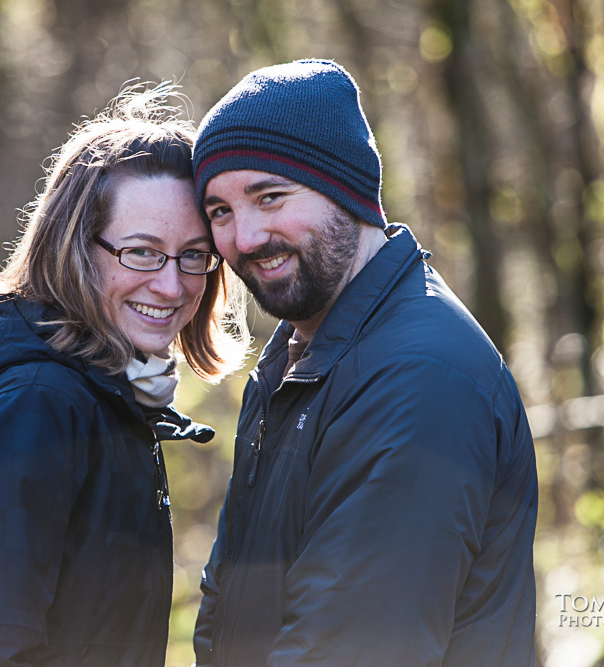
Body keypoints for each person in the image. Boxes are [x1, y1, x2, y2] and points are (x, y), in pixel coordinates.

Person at [190, 59, 538, 666]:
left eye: (269, 196)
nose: (243, 238)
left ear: (345, 190)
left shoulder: (420, 376)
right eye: (220, 211)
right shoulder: (298, 361)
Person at [0, 85, 248, 666]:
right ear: (75, 250)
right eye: (141, 251)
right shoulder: (33, 407)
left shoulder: (110, 400)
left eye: (194, 255)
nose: (172, 284)